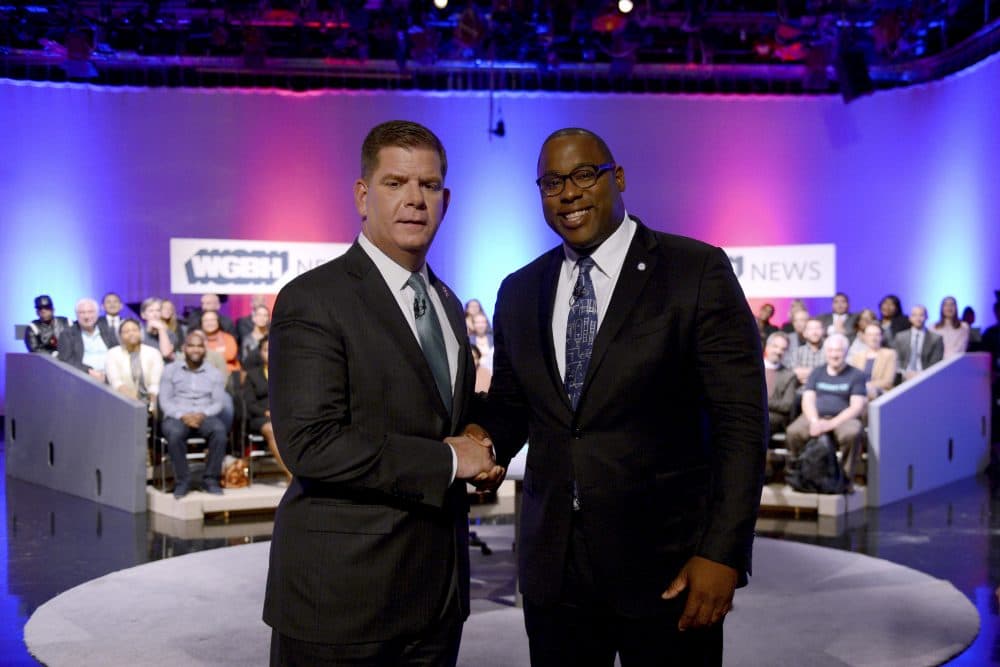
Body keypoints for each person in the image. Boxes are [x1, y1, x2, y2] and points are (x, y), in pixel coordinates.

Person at [482, 128, 766, 665]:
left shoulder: (695, 271)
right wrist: (481, 438)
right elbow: (512, 406)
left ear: (618, 177)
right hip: (555, 574)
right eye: (552, 182)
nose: (569, 193)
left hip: (669, 570)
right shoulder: (519, 290)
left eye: (584, 175)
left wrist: (723, 552)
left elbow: (741, 424)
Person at [263, 120, 498, 666]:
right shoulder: (313, 299)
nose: (415, 200)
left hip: (437, 598)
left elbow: (442, 418)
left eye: (429, 185)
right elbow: (311, 444)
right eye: (395, 183)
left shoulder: (445, 299)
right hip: (342, 602)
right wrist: (446, 461)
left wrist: (479, 445)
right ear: (363, 195)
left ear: (446, 198)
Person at [784, 333, 867, 479]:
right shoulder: (817, 372)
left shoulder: (856, 375)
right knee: (793, 432)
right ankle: (797, 474)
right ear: (826, 352)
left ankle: (845, 478)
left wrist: (830, 424)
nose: (834, 355)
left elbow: (856, 407)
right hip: (815, 416)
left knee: (852, 433)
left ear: (846, 352)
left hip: (843, 419)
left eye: (839, 350)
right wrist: (815, 421)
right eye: (831, 350)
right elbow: (808, 399)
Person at [158, 331, 229, 498]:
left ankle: (210, 480)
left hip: (204, 415)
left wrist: (201, 414)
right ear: (184, 348)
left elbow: (218, 403)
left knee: (219, 432)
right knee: (174, 434)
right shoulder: (170, 370)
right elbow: (165, 401)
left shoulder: (214, 373)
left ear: (205, 349)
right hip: (177, 415)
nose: (195, 349)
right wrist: (183, 415)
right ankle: (183, 481)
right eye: (191, 345)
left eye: (199, 346)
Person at [241, 336, 291, 482]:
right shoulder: (252, 375)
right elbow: (249, 404)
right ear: (260, 353)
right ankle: (291, 475)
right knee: (271, 429)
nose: (269, 353)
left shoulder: (288, 373)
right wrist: (266, 412)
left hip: (285, 416)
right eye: (265, 350)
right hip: (261, 418)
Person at [105, 318, 164, 408]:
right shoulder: (113, 354)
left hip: (152, 400)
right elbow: (116, 382)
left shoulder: (153, 352)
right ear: (119, 336)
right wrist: (136, 403)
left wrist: (150, 404)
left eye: (135, 330)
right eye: (126, 331)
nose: (131, 333)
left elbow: (155, 383)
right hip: (123, 400)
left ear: (141, 332)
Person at [57, 298, 116, 382]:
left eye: (90, 312)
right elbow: (65, 360)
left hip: (110, 377)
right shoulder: (67, 334)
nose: (86, 316)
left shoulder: (108, 331)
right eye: (82, 313)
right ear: (76, 315)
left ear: (97, 313)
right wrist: (88, 371)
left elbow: (117, 352)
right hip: (82, 379)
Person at [894, 304, 944, 381]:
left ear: (926, 317)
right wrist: (905, 373)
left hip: (927, 377)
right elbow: (897, 360)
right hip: (904, 376)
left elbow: (935, 363)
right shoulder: (900, 337)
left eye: (921, 315)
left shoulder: (936, 338)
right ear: (910, 318)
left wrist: (921, 374)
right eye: (914, 315)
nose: (918, 318)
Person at [848, 323, 897, 399]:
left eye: (876, 335)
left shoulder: (890, 354)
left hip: (881, 393)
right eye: (870, 335)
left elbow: (888, 381)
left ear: (881, 337)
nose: (873, 338)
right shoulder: (858, 356)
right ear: (864, 337)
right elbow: (854, 378)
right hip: (860, 393)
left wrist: (868, 386)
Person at [764, 332, 797, 434]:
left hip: (775, 417)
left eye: (783, 349)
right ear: (767, 346)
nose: (778, 351)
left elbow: (787, 405)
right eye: (775, 346)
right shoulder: (753, 369)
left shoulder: (789, 375)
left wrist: (763, 402)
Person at [140, 297, 180, 362]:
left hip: (165, 370)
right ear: (143, 315)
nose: (155, 314)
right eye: (151, 311)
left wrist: (161, 329)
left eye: (158, 310)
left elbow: (166, 353)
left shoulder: (170, 334)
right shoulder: (139, 333)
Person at [792, 318, 826, 386]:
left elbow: (833, 375)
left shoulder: (830, 351)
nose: (814, 332)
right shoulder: (798, 352)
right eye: (811, 329)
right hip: (801, 391)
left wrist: (805, 373)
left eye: (818, 328)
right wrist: (821, 373)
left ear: (823, 331)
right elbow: (794, 374)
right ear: (804, 333)